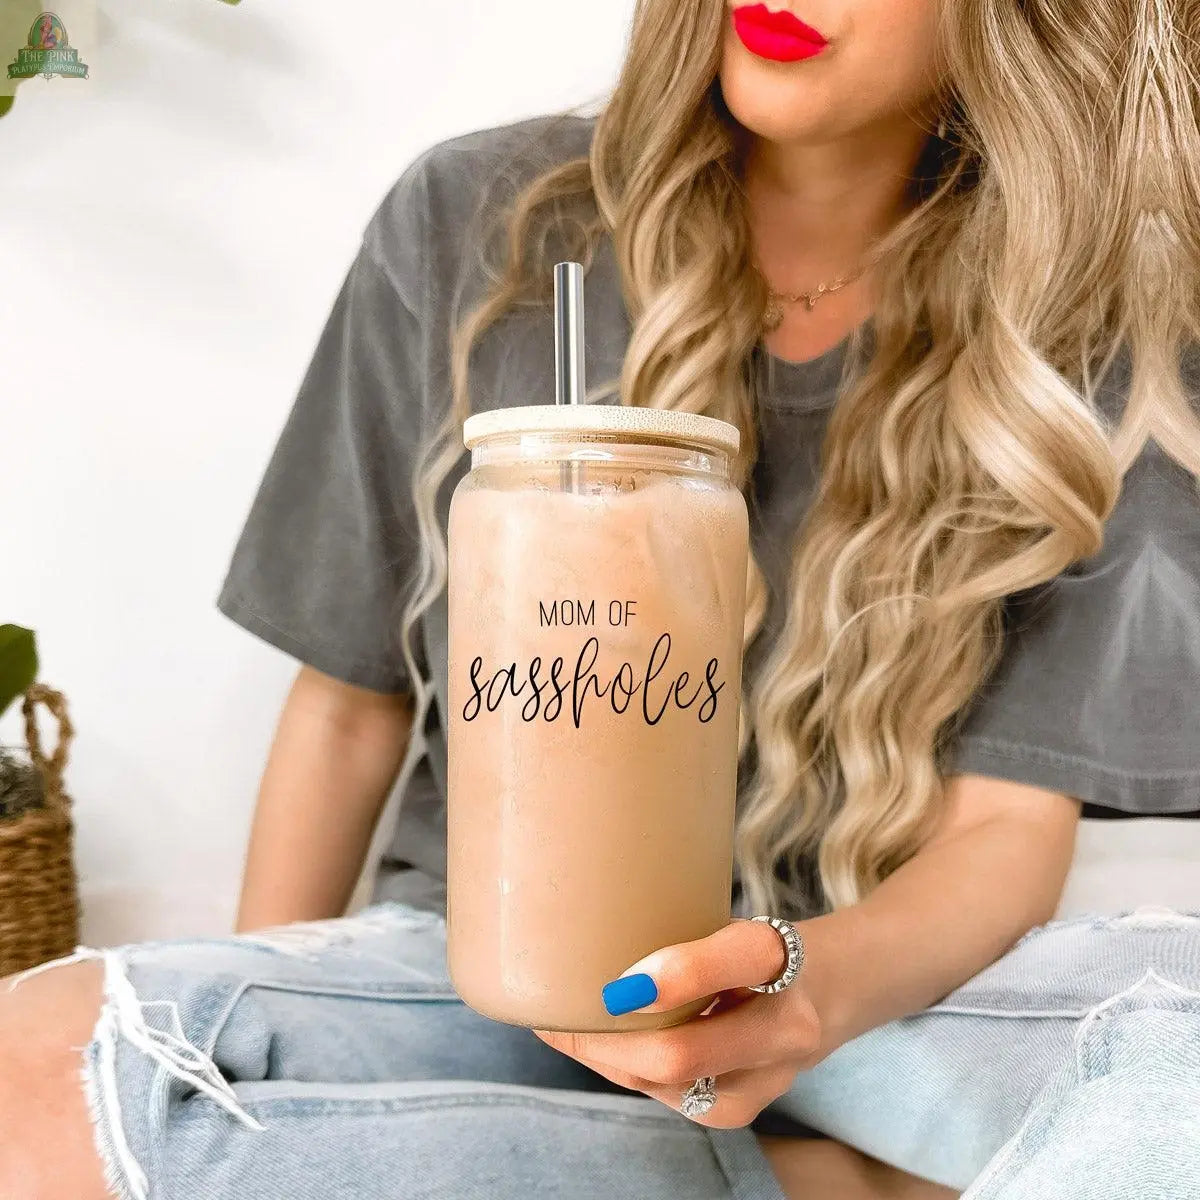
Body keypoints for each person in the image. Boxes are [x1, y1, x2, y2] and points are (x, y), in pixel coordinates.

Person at [4, 1, 1200, 1197]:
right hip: (481, 964)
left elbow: (1003, 831)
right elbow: (346, 711)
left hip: (861, 988)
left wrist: (804, 995)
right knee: (33, 1070)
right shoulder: (477, 222)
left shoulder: (1088, 318)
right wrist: (274, 1012)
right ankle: (813, 1183)